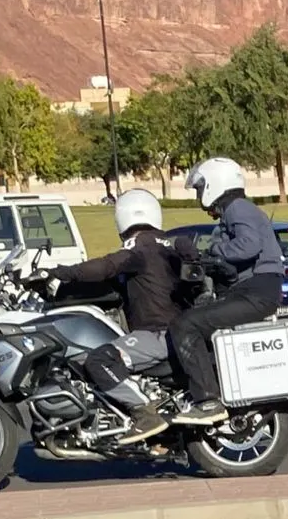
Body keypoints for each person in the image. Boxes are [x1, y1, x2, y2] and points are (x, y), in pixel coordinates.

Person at [39, 188, 185, 443]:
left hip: (158, 333)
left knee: (99, 360)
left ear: (123, 217)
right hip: (173, 329)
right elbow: (113, 285)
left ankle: (144, 413)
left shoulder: (140, 245)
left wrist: (60, 272)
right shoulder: (163, 245)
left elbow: (106, 266)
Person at [170, 157, 285, 426]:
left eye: (200, 188)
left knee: (185, 325)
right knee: (198, 318)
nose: (199, 195)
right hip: (253, 290)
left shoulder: (238, 208)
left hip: (256, 292)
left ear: (214, 184)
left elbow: (248, 245)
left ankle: (207, 401)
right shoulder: (236, 210)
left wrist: (211, 251)